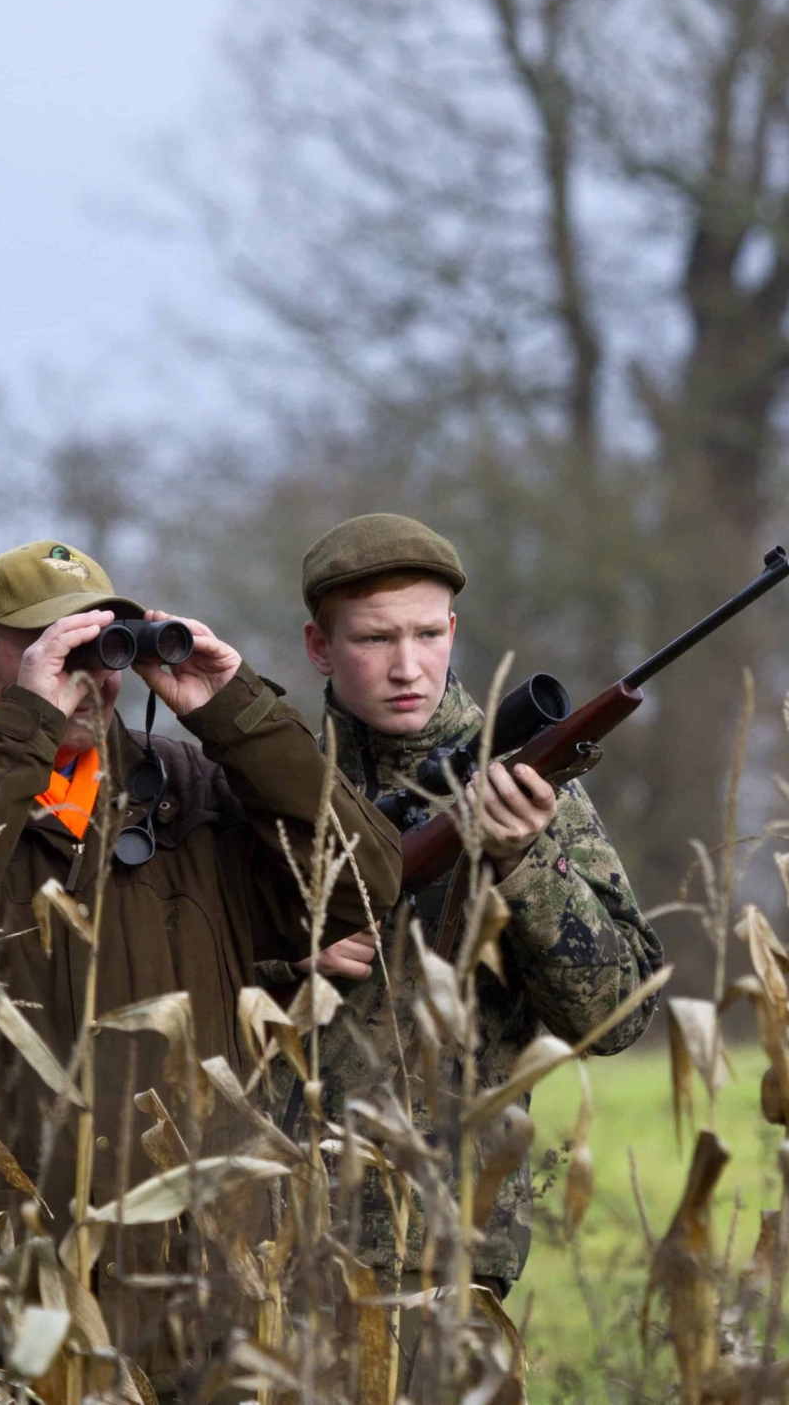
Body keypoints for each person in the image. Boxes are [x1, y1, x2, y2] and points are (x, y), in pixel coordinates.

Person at [0, 538, 401, 1362]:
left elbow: (365, 880)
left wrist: (236, 712)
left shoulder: (190, 786)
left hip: (192, 1291)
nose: (88, 669)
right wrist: (26, 729)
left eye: (105, 646)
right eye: (52, 644)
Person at [258, 512, 663, 1309]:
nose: (408, 667)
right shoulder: (271, 786)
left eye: (426, 634)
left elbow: (618, 1018)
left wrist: (522, 863)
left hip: (440, 1252)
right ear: (318, 648)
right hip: (264, 1233)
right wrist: (283, 952)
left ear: (454, 630)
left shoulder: (535, 792)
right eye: (375, 640)